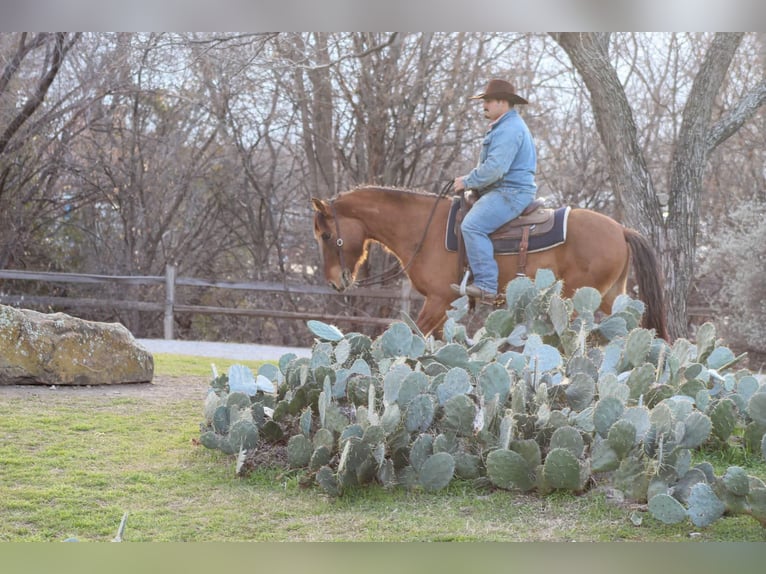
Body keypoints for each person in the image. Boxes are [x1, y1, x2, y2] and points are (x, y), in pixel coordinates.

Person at [451, 78, 537, 304]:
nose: (484, 105)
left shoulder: (509, 129)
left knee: (472, 226)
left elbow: (496, 168)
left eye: (488, 101)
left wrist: (468, 181)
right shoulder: (506, 126)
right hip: (504, 190)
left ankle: (487, 285)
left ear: (503, 102)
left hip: (510, 192)